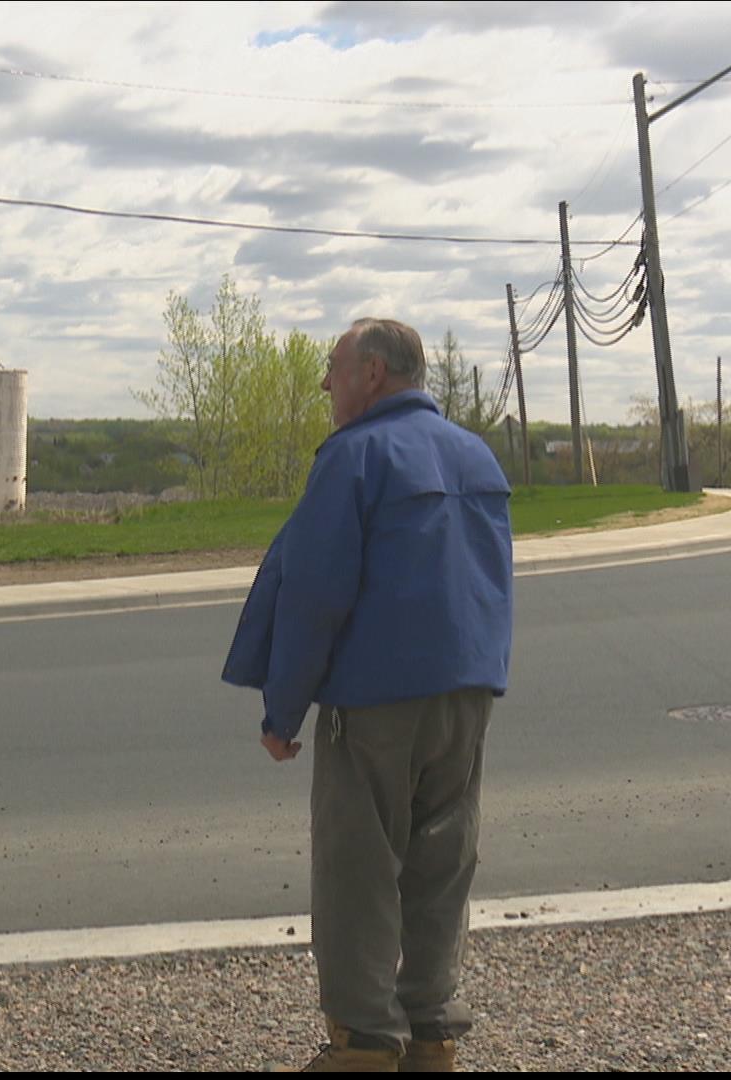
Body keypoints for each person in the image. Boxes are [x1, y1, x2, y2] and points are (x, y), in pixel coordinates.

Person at [222, 318, 514, 1073]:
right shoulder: (475, 454)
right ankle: (430, 1036)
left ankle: (361, 1043)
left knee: (359, 870)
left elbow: (315, 596)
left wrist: (282, 711)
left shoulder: (354, 457)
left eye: (332, 368)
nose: (324, 383)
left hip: (377, 699)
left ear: (373, 374)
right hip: (467, 694)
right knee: (441, 864)